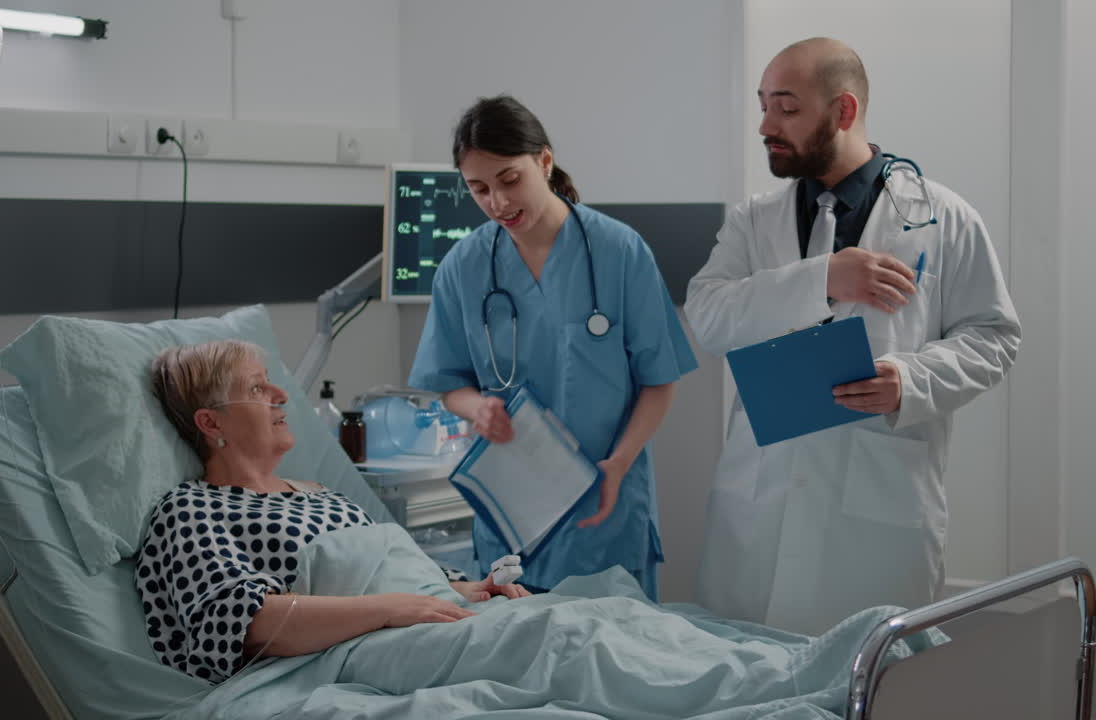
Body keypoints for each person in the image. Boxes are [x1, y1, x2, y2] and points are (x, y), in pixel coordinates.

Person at [685, 37, 1021, 634]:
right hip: (758, 502)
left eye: (786, 108)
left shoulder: (943, 217)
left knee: (866, 683)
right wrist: (823, 278)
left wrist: (909, 379)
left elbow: (994, 337)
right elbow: (708, 315)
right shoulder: (752, 221)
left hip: (876, 509)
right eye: (762, 104)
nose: (766, 124)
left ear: (843, 112)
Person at [408, 95, 698, 600]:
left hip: (604, 508)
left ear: (544, 160)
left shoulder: (618, 251)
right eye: (479, 189)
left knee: (617, 663)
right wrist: (477, 407)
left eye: (509, 180)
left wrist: (621, 462)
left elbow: (659, 379)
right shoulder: (463, 267)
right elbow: (449, 380)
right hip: (512, 514)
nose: (497, 202)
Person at [137, 339, 530, 683]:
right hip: (369, 649)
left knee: (562, 627)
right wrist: (388, 610)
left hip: (428, 622)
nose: (281, 394)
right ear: (210, 422)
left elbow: (401, 574)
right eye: (257, 387)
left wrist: (469, 589)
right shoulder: (192, 508)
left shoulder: (322, 495)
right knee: (553, 649)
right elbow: (240, 622)